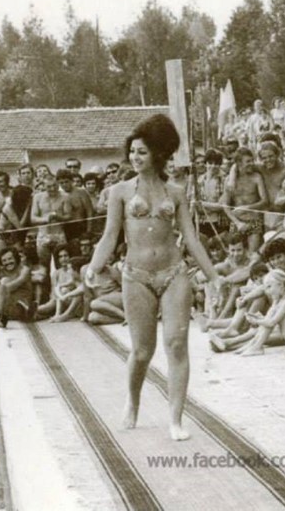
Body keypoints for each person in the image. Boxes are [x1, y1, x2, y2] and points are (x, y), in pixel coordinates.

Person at [86, 114, 221, 441]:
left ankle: (175, 419)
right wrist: (94, 266)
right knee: (142, 352)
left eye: (142, 152)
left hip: (174, 272)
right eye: (132, 151)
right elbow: (110, 235)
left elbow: (191, 238)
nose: (135, 157)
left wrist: (213, 276)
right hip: (136, 275)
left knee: (177, 344)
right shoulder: (119, 191)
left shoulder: (176, 192)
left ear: (158, 154)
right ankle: (133, 401)